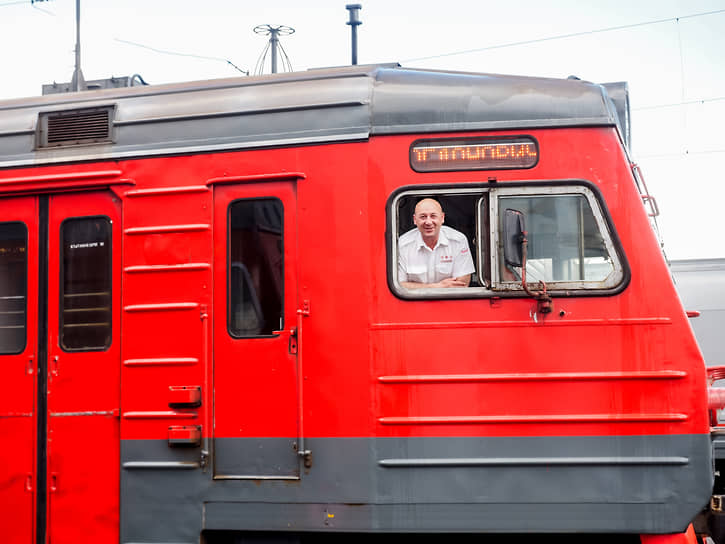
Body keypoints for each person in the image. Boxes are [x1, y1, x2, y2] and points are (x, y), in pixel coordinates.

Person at [398, 198, 475, 289]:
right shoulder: (403, 244)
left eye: (433, 216)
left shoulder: (458, 241)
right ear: (415, 220)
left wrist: (418, 287)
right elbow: (399, 285)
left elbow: (463, 284)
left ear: (442, 218)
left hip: (449, 301)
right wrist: (438, 286)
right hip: (413, 302)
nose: (428, 222)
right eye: (423, 217)